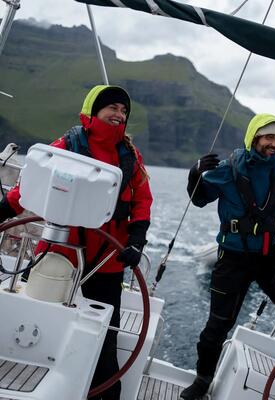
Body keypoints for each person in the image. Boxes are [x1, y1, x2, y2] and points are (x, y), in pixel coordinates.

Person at [0, 85, 153, 399]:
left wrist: (137, 239)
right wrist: (3, 211)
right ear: (93, 111)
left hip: (108, 261)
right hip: (57, 254)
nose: (119, 115)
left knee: (105, 339)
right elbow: (29, 184)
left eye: (124, 111)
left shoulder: (131, 157)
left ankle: (104, 394)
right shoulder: (66, 145)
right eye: (112, 107)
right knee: (29, 320)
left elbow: (142, 201)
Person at [180, 113, 275, 400]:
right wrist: (194, 173)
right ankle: (203, 379)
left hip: (271, 261)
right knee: (217, 325)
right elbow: (198, 199)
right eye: (269, 137)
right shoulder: (228, 169)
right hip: (232, 259)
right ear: (254, 137)